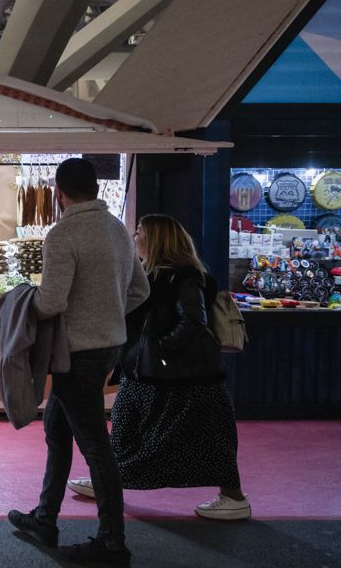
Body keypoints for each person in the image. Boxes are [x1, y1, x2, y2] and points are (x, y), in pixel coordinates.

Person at [7, 158, 149, 568]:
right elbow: (141, 291)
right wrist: (108, 313)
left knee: (95, 446)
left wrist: (19, 300)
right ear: (97, 188)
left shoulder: (63, 233)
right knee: (57, 426)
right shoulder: (118, 230)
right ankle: (45, 518)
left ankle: (112, 542)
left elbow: (50, 301)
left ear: (59, 193)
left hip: (75, 353)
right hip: (107, 347)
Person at [67, 214, 250, 521]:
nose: (134, 237)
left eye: (139, 232)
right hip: (144, 372)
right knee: (124, 429)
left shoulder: (184, 276)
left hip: (181, 376)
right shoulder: (149, 274)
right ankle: (107, 478)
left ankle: (233, 496)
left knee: (207, 439)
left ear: (156, 240)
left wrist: (160, 350)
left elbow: (193, 321)